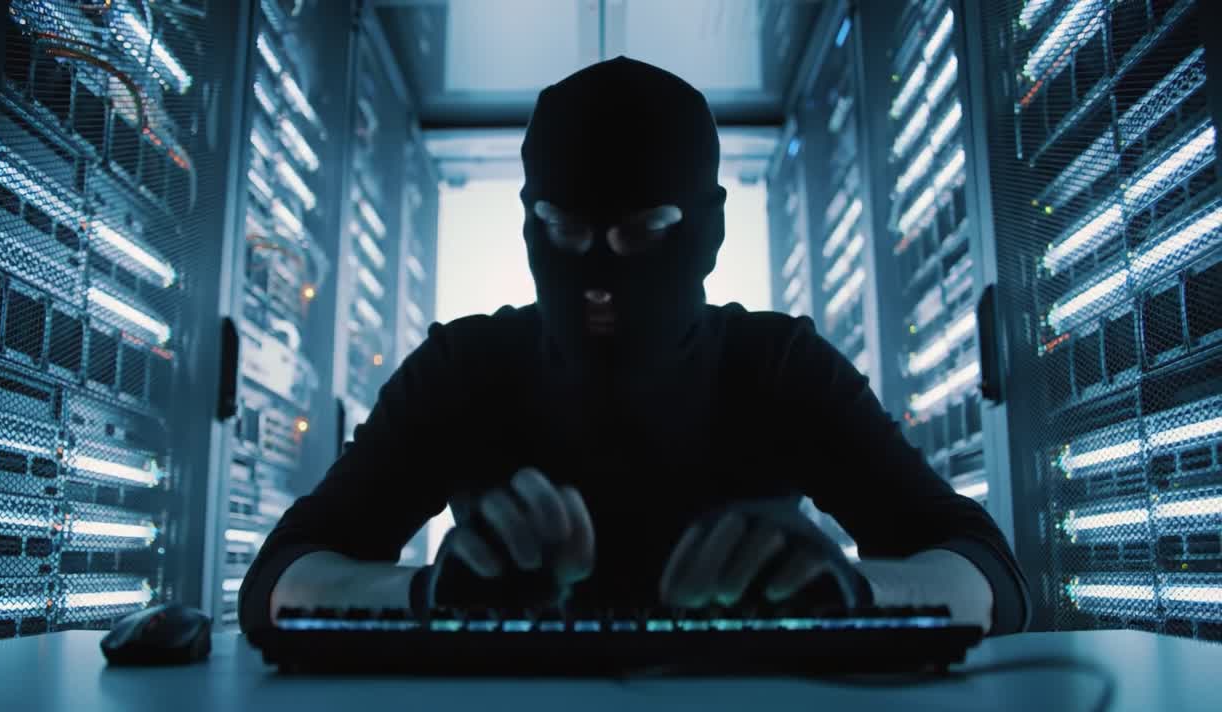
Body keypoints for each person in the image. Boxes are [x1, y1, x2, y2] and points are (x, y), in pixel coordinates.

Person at [238, 57, 1030, 635]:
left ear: (707, 231)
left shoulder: (777, 367)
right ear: (530, 227)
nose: (599, 278)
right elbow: (280, 576)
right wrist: (434, 599)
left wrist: (850, 595)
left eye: (642, 234)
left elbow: (987, 567)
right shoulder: (464, 371)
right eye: (564, 232)